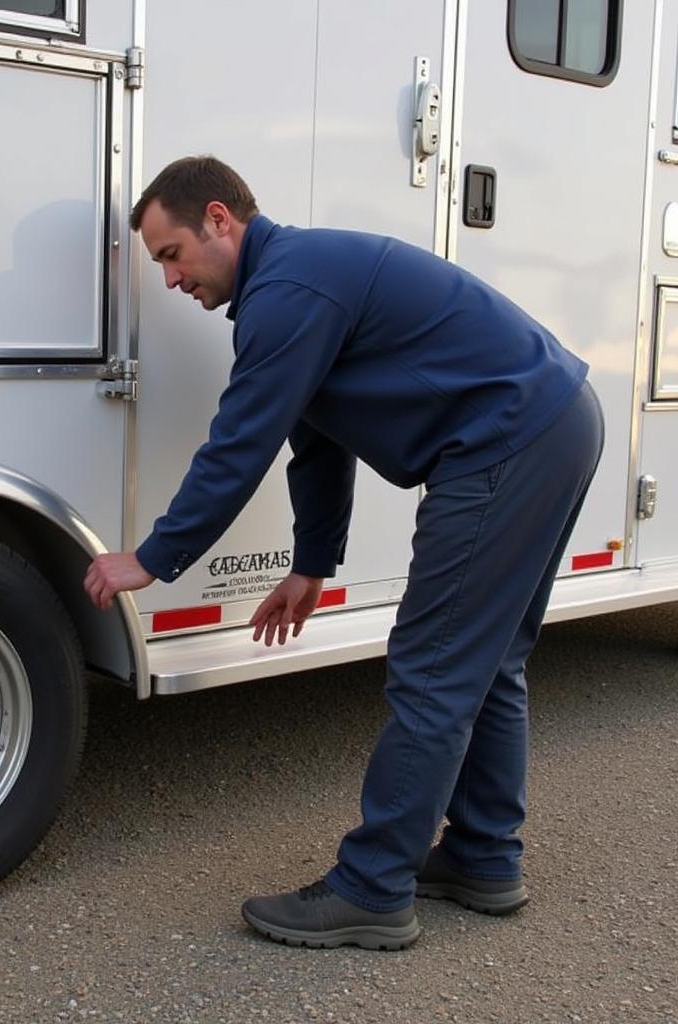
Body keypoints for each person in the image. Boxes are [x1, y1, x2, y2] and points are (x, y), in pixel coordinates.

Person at [83, 155, 604, 951]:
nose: (170, 280)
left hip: (507, 440)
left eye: (171, 254)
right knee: (486, 660)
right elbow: (315, 444)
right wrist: (311, 565)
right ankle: (482, 858)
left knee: (433, 667)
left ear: (219, 219)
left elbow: (240, 444)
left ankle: (372, 889)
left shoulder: (287, 292)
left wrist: (152, 557)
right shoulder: (297, 281)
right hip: (550, 421)